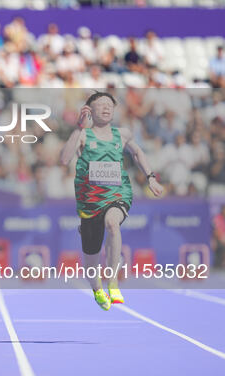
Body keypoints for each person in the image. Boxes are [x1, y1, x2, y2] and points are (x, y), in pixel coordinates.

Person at [60, 92, 163, 310]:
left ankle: (113, 280)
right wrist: (79, 128)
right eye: (101, 105)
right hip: (90, 200)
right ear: (89, 110)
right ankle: (97, 287)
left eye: (110, 105)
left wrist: (151, 177)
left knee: (113, 224)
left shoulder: (123, 134)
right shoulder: (83, 135)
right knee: (91, 256)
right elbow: (64, 158)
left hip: (118, 192)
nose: (106, 108)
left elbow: (137, 153)